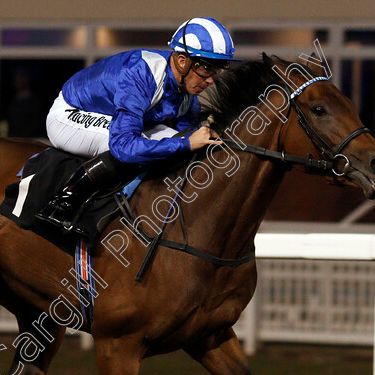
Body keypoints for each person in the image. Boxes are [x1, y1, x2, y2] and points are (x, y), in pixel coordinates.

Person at [36, 17, 240, 233]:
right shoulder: (141, 74)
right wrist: (186, 144)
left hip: (107, 115)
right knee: (133, 145)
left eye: (216, 71)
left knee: (173, 143)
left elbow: (186, 137)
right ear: (182, 61)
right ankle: (62, 204)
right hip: (69, 115)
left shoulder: (187, 92)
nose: (211, 80)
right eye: (207, 69)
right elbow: (123, 146)